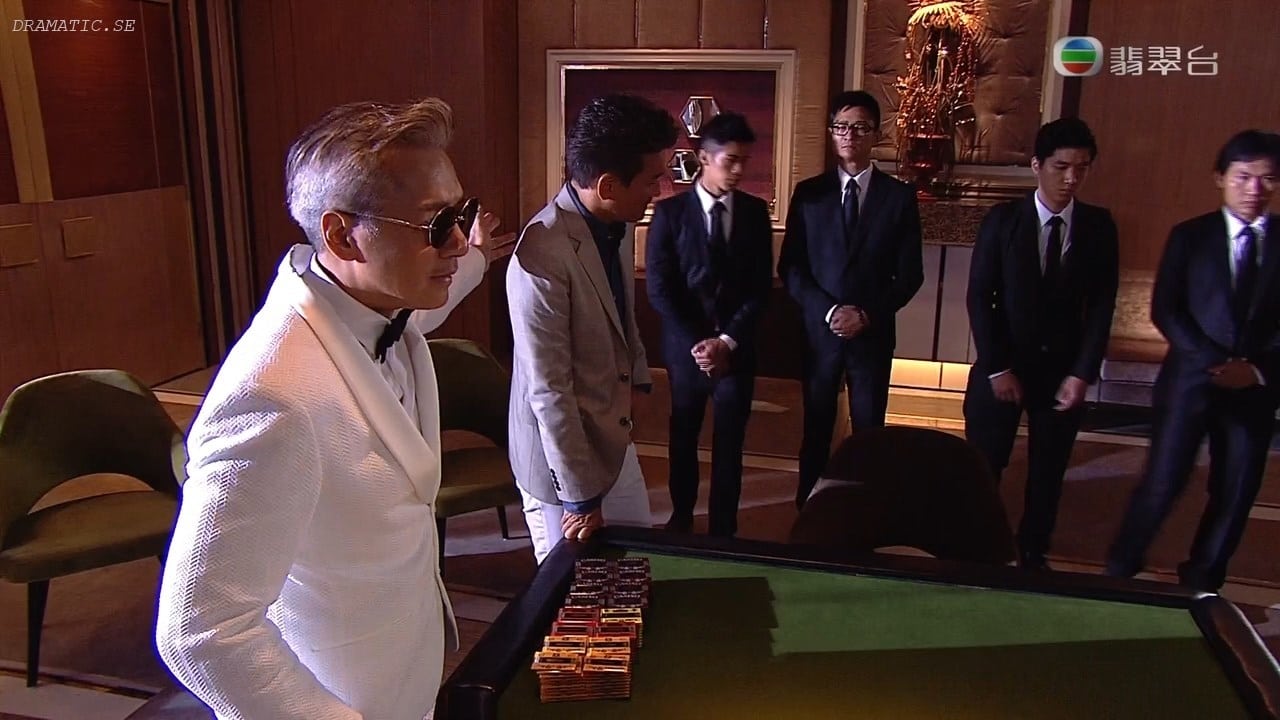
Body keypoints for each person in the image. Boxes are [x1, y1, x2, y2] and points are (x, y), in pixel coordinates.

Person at [156, 98, 494, 720]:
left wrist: (477, 256)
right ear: (342, 235)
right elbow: (200, 629)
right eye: (437, 223)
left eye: (463, 214)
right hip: (341, 695)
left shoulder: (375, 305)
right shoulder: (274, 396)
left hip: (408, 674)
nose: (456, 242)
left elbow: (438, 294)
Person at [507, 94, 678, 562]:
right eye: (652, 180)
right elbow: (549, 391)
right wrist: (579, 499)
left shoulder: (615, 220)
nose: (659, 191)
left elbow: (624, 317)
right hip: (559, 460)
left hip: (613, 436)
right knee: (574, 589)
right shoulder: (541, 255)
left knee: (635, 565)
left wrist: (638, 382)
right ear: (607, 185)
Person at [1107, 130, 1280, 592]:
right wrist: (1213, 362)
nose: (1254, 189)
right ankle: (1121, 568)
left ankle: (1204, 579)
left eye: (1266, 179)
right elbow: (1166, 309)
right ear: (1220, 178)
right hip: (1190, 381)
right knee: (1163, 480)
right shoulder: (1190, 236)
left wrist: (1255, 370)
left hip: (1255, 388)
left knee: (1235, 490)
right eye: (1243, 176)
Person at [964, 117, 1119, 571]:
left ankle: (1033, 550)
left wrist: (1083, 372)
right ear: (1037, 165)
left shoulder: (1098, 226)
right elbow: (980, 296)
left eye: (1082, 168)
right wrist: (997, 367)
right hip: (1004, 363)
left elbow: (1101, 306)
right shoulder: (1002, 221)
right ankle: (979, 546)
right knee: (985, 463)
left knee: (1048, 469)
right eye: (1061, 167)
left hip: (1062, 369)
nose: (1071, 178)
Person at [777, 90, 923, 508]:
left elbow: (910, 275)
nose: (849, 135)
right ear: (831, 132)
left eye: (859, 128)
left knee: (869, 431)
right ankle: (808, 506)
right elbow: (792, 267)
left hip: (870, 335)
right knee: (816, 429)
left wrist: (866, 314)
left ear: (875, 134)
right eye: (841, 127)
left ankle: (866, 508)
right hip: (819, 335)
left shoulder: (898, 197)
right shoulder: (810, 193)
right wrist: (829, 311)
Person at [645, 112, 773, 537]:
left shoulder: (754, 213)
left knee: (730, 442)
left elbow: (760, 287)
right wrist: (701, 343)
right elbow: (660, 288)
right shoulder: (669, 213)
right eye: (730, 160)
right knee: (683, 436)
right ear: (704, 158)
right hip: (687, 351)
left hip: (736, 350)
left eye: (744, 161)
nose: (738, 171)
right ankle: (681, 518)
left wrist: (726, 341)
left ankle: (723, 528)